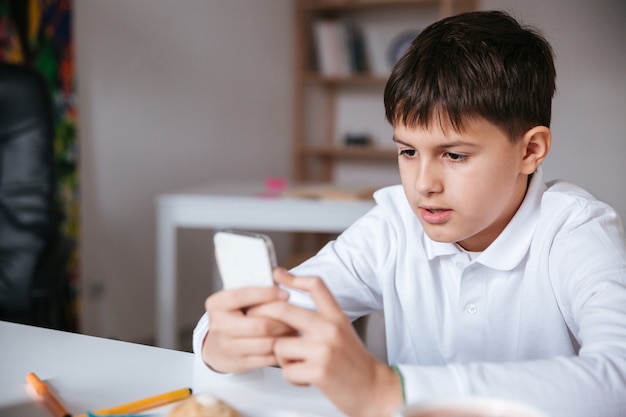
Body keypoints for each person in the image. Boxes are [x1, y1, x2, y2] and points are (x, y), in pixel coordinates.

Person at [193, 10, 626, 417]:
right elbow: (255, 317)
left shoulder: (574, 229)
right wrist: (220, 341)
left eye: (454, 155)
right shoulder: (394, 224)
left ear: (530, 150)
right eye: (407, 151)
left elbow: (618, 377)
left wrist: (388, 389)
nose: (423, 184)